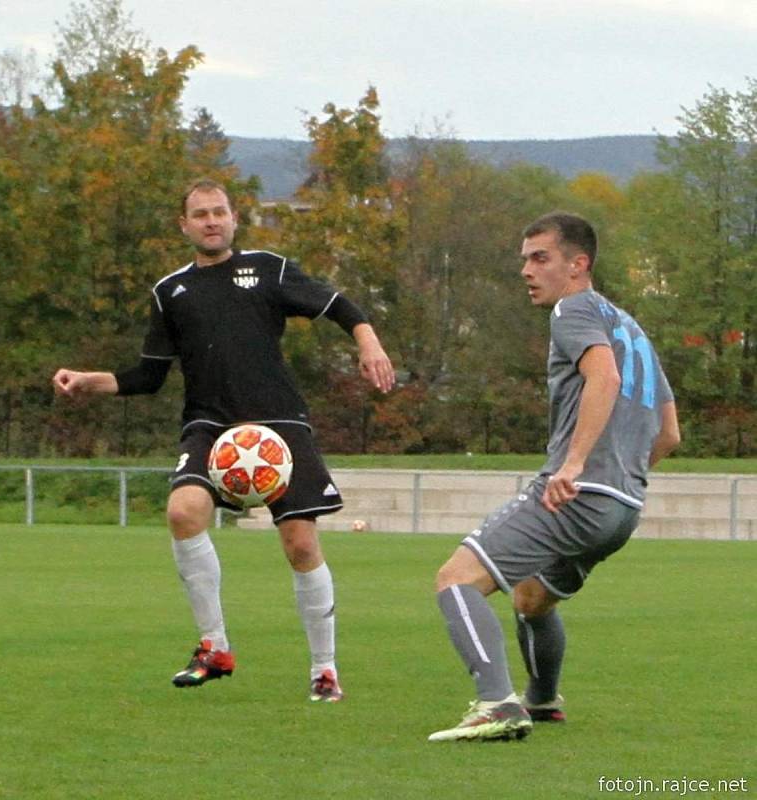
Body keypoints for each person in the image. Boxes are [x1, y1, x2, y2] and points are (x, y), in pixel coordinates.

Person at [52, 178, 395, 702]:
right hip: (211, 425)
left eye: (219, 212)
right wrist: (87, 381)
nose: (211, 221)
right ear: (183, 225)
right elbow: (148, 375)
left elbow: (337, 305)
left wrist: (368, 342)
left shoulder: (269, 269)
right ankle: (214, 647)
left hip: (279, 424)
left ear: (234, 219)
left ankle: (324, 670)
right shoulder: (170, 292)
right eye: (200, 214)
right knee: (182, 512)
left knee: (300, 545)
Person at [428, 212, 680, 742]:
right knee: (532, 598)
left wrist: (574, 464)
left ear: (578, 264)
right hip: (621, 510)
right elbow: (669, 434)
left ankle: (496, 703)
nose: (527, 269)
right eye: (524, 258)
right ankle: (541, 700)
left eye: (540, 257)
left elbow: (602, 376)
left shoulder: (574, 309)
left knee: (455, 580)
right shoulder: (631, 328)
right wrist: (624, 478)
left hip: (578, 494)